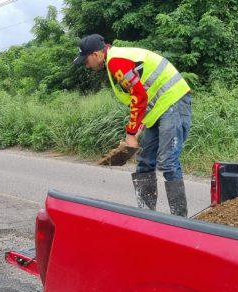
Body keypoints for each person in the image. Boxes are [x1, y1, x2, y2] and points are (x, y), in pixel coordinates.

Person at [73, 34, 192, 217]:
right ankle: (146, 217)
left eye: (86, 60)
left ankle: (181, 221)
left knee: (168, 162)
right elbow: (142, 94)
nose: (86, 65)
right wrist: (137, 128)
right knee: (144, 163)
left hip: (173, 102)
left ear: (96, 54)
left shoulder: (116, 62)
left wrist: (130, 132)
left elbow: (139, 96)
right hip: (158, 109)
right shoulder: (114, 62)